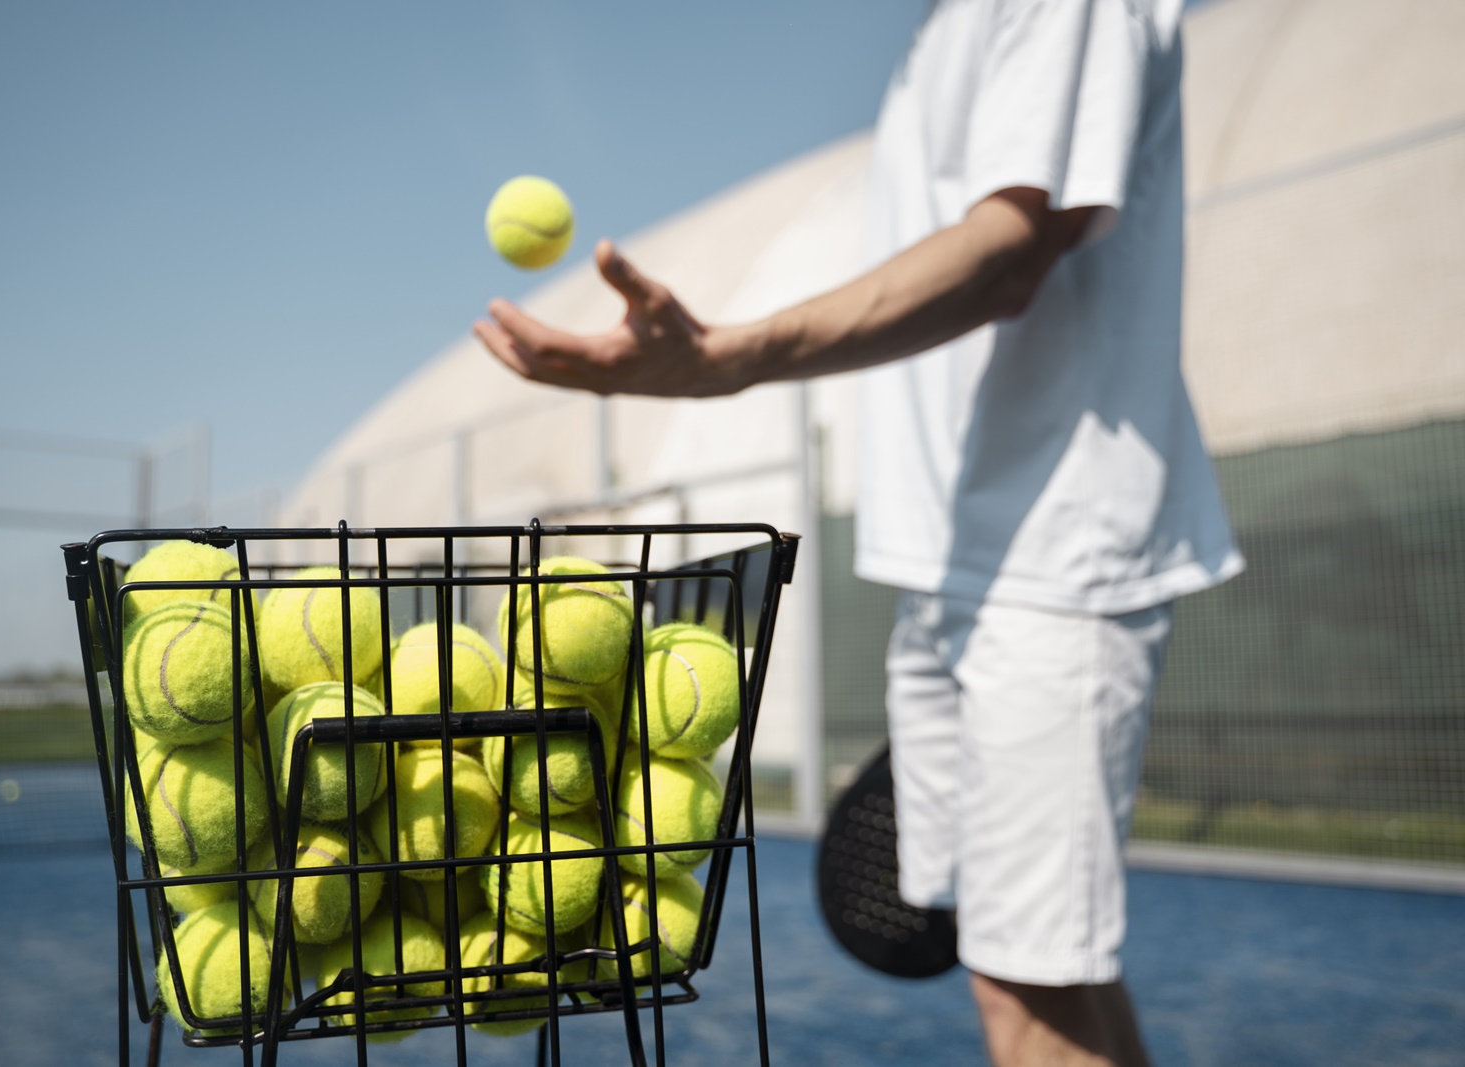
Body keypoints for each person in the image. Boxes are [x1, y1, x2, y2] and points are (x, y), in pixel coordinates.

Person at [475, 1, 1242, 1063]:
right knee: (1022, 969)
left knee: (1032, 979)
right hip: (951, 567)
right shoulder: (939, 38)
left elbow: (1007, 250)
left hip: (1052, 558)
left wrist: (724, 358)